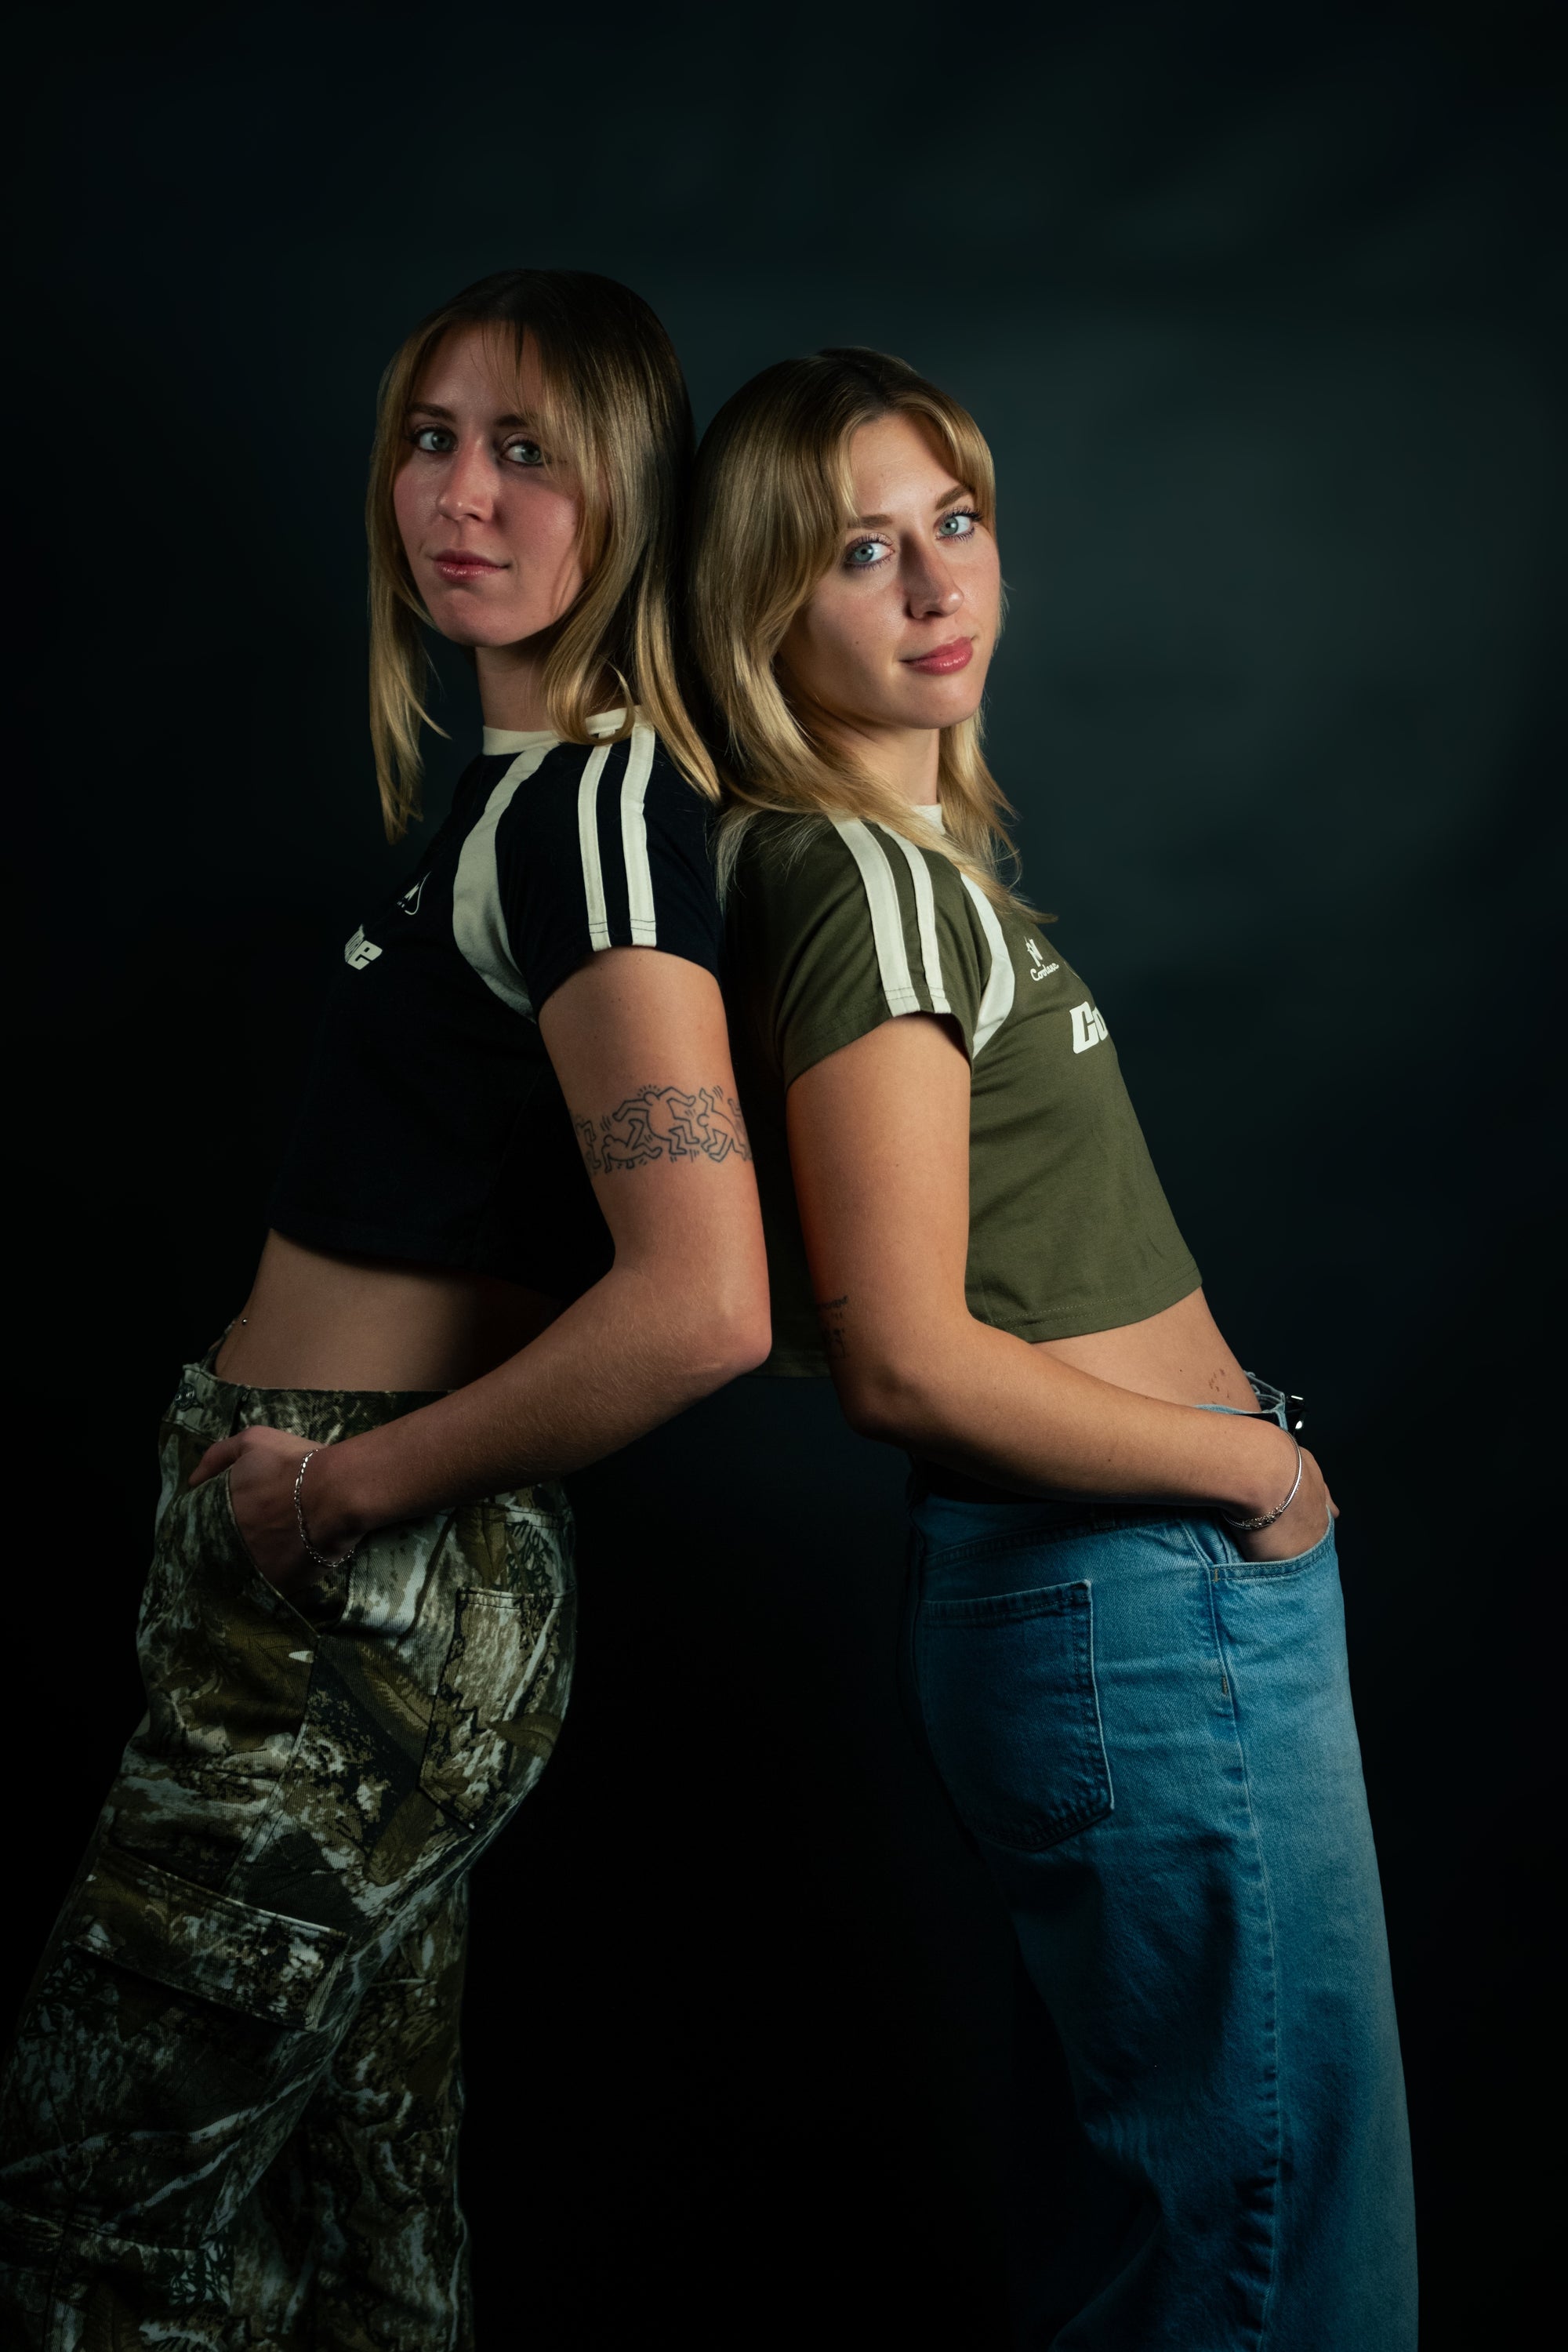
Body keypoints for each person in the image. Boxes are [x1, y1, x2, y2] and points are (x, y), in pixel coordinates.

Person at [0, 270, 768, 2350]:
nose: (463, 496)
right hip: (319, 1574)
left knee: (92, 2203)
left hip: (364, 1589)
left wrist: (346, 1496)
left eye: (528, 451)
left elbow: (701, 1303)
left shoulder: (600, 813)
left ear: (624, 491)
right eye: (431, 438)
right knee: (355, 2243)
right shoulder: (511, 808)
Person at [688, 347, 1416, 2350]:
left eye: (957, 522)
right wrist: (1253, 1472)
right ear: (767, 606)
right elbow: (901, 1356)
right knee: (1270, 2252)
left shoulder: (910, 875)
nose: (936, 585)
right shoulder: (857, 882)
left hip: (1125, 1612)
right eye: (860, 550)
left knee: (1189, 2221)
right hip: (1138, 1601)